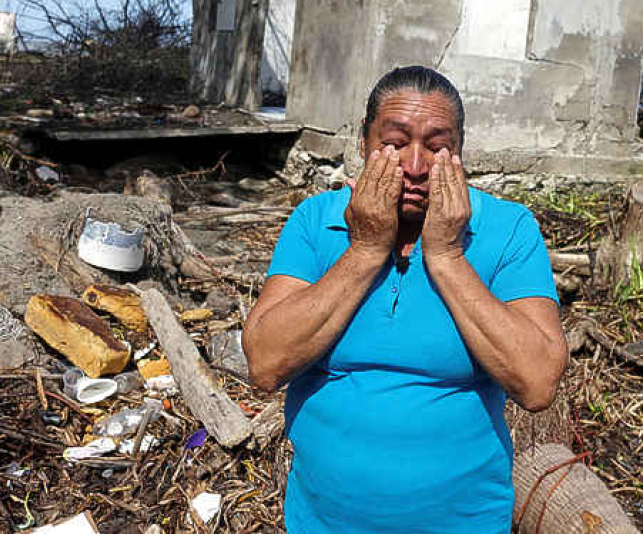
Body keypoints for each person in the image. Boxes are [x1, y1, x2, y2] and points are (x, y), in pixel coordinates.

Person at [243, 66, 568, 533]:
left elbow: (537, 383)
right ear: (364, 142)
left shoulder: (508, 229)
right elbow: (265, 364)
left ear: (458, 151)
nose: (416, 167)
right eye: (394, 143)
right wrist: (365, 250)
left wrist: (448, 257)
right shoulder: (316, 221)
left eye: (437, 147)